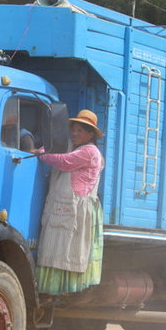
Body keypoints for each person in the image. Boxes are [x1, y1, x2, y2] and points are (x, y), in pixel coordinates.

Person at [29, 109, 104, 295]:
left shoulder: (89, 152)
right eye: (74, 129)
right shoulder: (77, 147)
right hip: (65, 209)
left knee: (65, 252)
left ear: (91, 134)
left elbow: (65, 161)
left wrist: (40, 154)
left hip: (74, 211)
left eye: (80, 130)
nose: (75, 133)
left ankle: (59, 295)